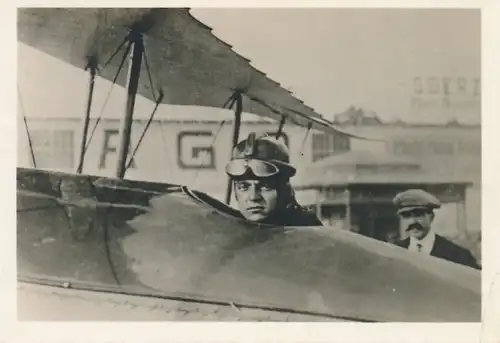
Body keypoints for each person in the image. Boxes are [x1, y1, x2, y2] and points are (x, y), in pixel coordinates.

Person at [225, 132, 322, 227]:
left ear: (284, 190)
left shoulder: (306, 228)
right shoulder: (232, 230)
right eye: (243, 187)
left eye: (266, 186)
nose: (253, 197)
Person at [392, 189, 480, 270]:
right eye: (406, 216)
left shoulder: (457, 255)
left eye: (418, 214)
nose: (412, 221)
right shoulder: (395, 252)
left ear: (431, 217)